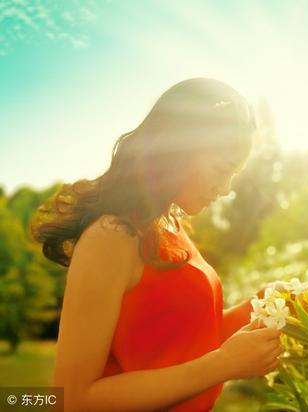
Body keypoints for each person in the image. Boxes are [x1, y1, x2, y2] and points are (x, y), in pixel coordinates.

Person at [30, 78, 282, 411]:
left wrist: (260, 306)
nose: (225, 189)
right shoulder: (113, 236)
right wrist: (223, 365)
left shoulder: (171, 223)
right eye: (222, 170)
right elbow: (73, 399)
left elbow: (179, 343)